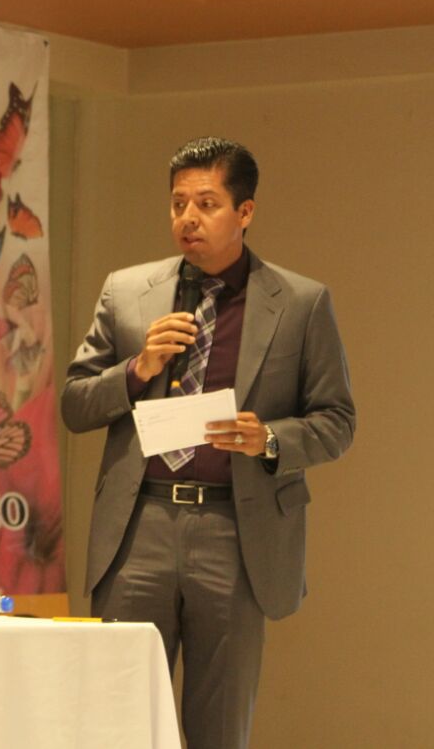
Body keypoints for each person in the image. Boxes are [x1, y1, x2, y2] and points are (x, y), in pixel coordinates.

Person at [61, 137, 355, 749]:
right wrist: (137, 369)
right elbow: (75, 403)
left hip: (235, 531)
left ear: (245, 212)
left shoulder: (300, 304)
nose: (187, 219)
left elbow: (337, 421)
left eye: (206, 203)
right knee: (117, 723)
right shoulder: (127, 291)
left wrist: (268, 438)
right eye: (177, 204)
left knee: (218, 728)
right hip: (138, 527)